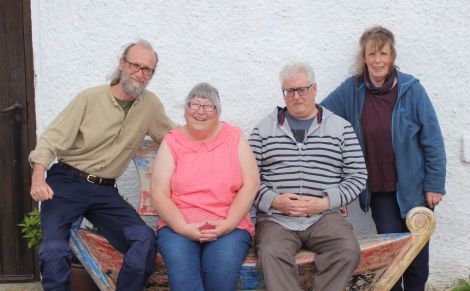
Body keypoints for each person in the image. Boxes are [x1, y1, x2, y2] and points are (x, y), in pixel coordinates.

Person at [29, 39, 175, 291]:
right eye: (135, 65)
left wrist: (215, 139)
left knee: (144, 239)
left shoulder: (150, 105)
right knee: (54, 250)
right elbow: (51, 140)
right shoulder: (89, 98)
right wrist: (38, 177)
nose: (140, 74)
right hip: (66, 183)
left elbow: (175, 138)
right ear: (121, 64)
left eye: (147, 69)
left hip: (105, 191)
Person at [321, 26, 446, 291]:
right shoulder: (352, 90)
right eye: (372, 54)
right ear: (364, 58)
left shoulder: (411, 90)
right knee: (392, 255)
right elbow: (322, 114)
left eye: (383, 54)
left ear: (392, 57)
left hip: (414, 189)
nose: (378, 60)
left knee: (417, 257)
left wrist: (434, 183)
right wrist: (293, 110)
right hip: (380, 191)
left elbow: (432, 138)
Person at [249, 62, 368, 291]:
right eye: (289, 91)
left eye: (301, 89)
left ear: (314, 89)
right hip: (277, 220)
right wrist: (274, 201)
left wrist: (325, 202)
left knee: (346, 250)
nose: (296, 96)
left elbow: (358, 175)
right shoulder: (263, 130)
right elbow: (248, 179)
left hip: (324, 217)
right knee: (271, 254)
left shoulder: (340, 128)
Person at [150, 82, 259, 291]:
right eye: (194, 104)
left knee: (221, 277)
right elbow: (159, 191)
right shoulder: (172, 141)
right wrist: (183, 227)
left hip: (229, 226)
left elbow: (251, 184)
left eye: (208, 106)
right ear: (185, 109)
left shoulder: (234, 137)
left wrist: (227, 224)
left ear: (218, 112)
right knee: (183, 281)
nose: (200, 111)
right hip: (178, 226)